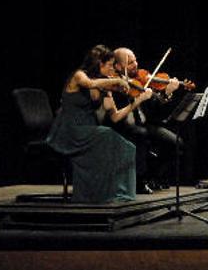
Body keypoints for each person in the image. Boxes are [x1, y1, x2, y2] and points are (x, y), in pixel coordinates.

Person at [46, 45, 143, 203]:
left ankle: (115, 193)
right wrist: (117, 80)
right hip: (70, 131)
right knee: (106, 135)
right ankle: (96, 194)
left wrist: (136, 100)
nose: (113, 69)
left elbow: (115, 117)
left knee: (127, 147)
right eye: (110, 65)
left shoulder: (104, 86)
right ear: (99, 63)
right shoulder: (79, 76)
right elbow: (90, 84)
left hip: (89, 130)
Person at [111, 47, 183, 193]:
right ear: (118, 66)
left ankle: (154, 177)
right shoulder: (114, 84)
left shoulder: (140, 81)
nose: (135, 65)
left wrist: (166, 92)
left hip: (145, 124)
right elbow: (119, 113)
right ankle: (139, 181)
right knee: (140, 134)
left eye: (135, 60)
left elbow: (154, 108)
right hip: (124, 126)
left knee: (176, 143)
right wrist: (131, 94)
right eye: (130, 63)